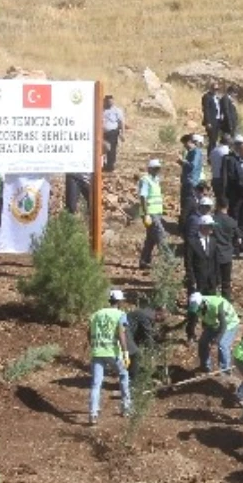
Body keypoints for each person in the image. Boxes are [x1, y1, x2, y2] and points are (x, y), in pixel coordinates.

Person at [88, 290, 131, 425]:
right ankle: (126, 407)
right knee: (124, 375)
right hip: (113, 352)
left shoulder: (96, 314)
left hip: (97, 352)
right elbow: (121, 334)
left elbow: (88, 333)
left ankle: (93, 413)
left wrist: (94, 345)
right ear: (119, 302)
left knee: (96, 383)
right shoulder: (120, 315)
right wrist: (125, 353)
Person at [189, 291, 239, 372]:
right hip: (213, 324)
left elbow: (223, 326)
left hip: (229, 323)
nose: (196, 309)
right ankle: (205, 367)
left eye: (198, 307)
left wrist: (216, 340)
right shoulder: (196, 307)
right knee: (202, 342)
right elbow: (204, 319)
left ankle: (225, 371)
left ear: (202, 303)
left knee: (222, 345)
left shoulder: (216, 304)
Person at [138, 159, 166, 269]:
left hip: (157, 212)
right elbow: (143, 197)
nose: (157, 170)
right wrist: (146, 214)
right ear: (149, 169)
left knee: (151, 238)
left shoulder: (156, 180)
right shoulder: (145, 180)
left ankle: (144, 261)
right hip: (150, 213)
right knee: (161, 235)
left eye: (158, 168)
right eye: (155, 168)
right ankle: (169, 260)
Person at [185, 214, 219, 296]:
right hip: (198, 280)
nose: (212, 228)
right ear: (202, 227)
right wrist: (192, 280)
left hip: (211, 281)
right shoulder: (192, 242)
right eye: (210, 226)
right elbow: (188, 263)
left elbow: (215, 261)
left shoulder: (213, 241)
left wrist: (217, 279)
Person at [212, 198, 238, 300]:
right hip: (227, 255)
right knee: (226, 282)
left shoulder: (213, 220)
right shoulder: (231, 221)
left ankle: (215, 302)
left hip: (215, 254)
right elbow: (239, 237)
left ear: (217, 206)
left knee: (215, 281)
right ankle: (226, 302)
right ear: (227, 207)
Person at [101, 95, 125, 172]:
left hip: (113, 132)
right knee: (102, 148)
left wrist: (122, 133)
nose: (110, 103)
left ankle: (110, 165)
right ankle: (102, 164)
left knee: (111, 149)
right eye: (108, 102)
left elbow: (121, 122)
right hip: (102, 132)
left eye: (111, 101)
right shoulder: (101, 109)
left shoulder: (117, 110)